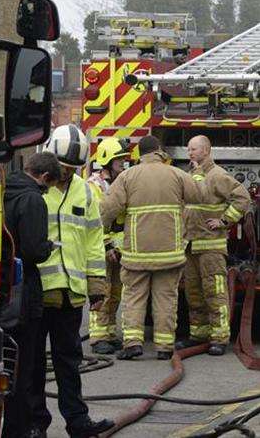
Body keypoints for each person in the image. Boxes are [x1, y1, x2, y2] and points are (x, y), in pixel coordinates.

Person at [29, 124, 114, 438]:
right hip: (38, 292)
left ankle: (77, 423)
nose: (65, 173)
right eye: (61, 166)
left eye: (71, 168)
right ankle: (36, 423)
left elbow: (94, 238)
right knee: (34, 365)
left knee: (69, 363)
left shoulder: (84, 190)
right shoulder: (35, 187)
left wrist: (96, 282)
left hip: (70, 294)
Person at [100, 135, 207, 360]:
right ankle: (165, 347)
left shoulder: (127, 176)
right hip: (169, 253)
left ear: (140, 154)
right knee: (166, 299)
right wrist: (196, 174)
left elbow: (107, 209)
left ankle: (132, 344)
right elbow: (199, 195)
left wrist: (102, 236)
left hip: (137, 253)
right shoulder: (177, 175)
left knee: (134, 297)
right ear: (159, 151)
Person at [2, 152, 61, 438]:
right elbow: (34, 249)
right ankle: (22, 428)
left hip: (0, 290)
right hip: (25, 294)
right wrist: (49, 245)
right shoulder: (33, 199)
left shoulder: (3, 189)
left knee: (7, 362)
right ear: (45, 177)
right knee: (26, 366)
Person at [177, 135, 251, 356]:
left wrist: (225, 220)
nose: (190, 153)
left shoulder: (217, 175)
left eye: (194, 149)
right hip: (191, 245)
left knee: (214, 292)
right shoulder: (192, 175)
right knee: (193, 293)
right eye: (188, 149)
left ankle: (219, 338)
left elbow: (242, 198)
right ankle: (198, 334)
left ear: (207, 150)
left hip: (211, 246)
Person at [87, 137, 131, 355]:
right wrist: (106, 247)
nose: (123, 166)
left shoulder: (119, 185)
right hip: (101, 249)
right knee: (101, 292)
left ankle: (109, 333)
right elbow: (95, 221)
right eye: (119, 162)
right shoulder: (94, 187)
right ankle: (98, 337)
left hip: (118, 250)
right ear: (107, 161)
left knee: (115, 293)